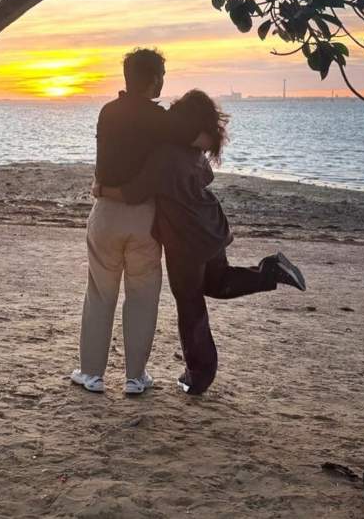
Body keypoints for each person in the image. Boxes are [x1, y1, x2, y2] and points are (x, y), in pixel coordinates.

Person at [96, 89, 306, 395]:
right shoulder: (193, 153)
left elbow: (135, 192)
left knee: (190, 304)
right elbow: (206, 177)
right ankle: (270, 271)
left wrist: (101, 190)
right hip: (211, 226)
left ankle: (199, 375)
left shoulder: (166, 155)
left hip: (187, 240)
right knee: (217, 282)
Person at [71, 49, 212, 395]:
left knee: (99, 293)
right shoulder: (159, 119)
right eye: (161, 75)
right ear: (153, 79)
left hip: (106, 211)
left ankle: (91, 374)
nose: (163, 82)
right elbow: (201, 139)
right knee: (142, 296)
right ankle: (135, 377)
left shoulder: (108, 112)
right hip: (144, 216)